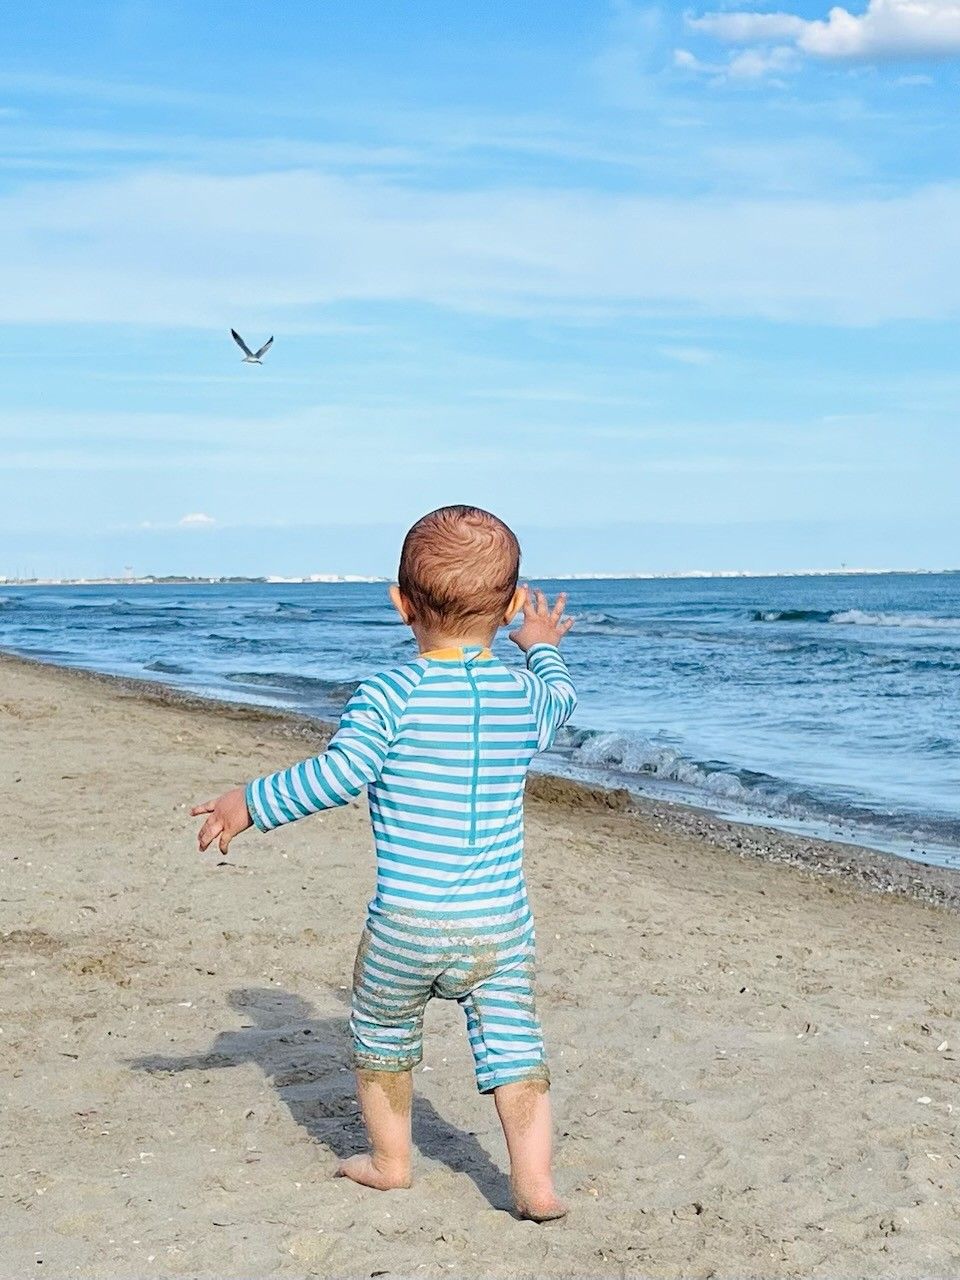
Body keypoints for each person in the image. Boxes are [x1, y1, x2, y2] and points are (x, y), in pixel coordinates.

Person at [192, 505, 576, 1220]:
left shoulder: (390, 694)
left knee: (382, 1039)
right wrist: (542, 646)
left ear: (402, 605)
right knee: (515, 1049)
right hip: (498, 928)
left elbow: (338, 773)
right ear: (513, 606)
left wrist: (251, 801)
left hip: (405, 925)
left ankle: (391, 1163)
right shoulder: (524, 698)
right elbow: (562, 698)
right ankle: (534, 1184)